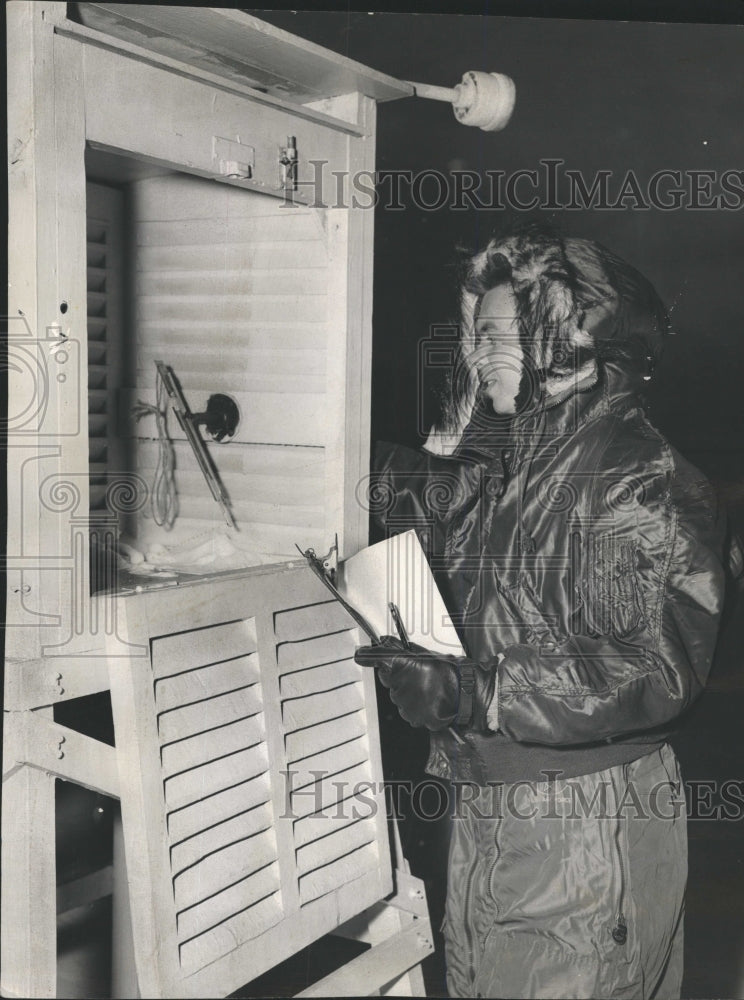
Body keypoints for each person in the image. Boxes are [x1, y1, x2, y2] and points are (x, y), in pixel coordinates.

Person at [355, 224, 727, 999]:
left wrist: (476, 691)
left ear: (560, 340)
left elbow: (648, 665)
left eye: (496, 336)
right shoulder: (521, 456)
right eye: (476, 335)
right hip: (500, 798)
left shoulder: (632, 473)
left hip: (582, 817)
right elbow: (435, 500)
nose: (476, 354)